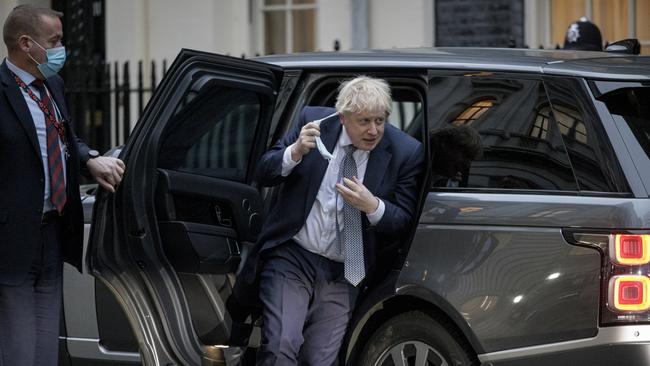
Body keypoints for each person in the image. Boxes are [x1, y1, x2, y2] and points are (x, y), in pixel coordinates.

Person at [249, 76, 424, 365]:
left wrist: (373, 206)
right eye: (364, 121)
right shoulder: (313, 123)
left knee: (320, 359)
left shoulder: (406, 152)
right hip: (294, 257)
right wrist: (294, 152)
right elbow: (264, 172)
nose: (373, 130)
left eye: (380, 120)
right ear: (343, 118)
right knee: (281, 345)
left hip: (347, 269)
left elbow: (403, 221)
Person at [0, 5, 125, 366]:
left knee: (46, 351)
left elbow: (64, 136)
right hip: (12, 243)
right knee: (19, 352)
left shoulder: (51, 85)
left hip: (53, 232)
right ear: (26, 44)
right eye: (54, 40)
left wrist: (87, 158)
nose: (61, 48)